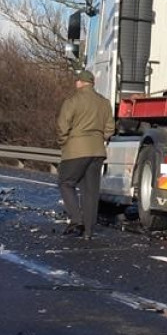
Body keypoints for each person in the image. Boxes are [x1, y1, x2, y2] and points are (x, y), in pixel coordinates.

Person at [55, 69, 115, 240]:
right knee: (90, 192)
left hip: (76, 150)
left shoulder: (72, 101)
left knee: (66, 183)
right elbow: (110, 128)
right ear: (92, 83)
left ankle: (77, 220)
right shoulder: (104, 103)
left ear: (80, 82)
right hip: (97, 151)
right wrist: (100, 137)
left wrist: (64, 142)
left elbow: (62, 125)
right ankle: (89, 231)